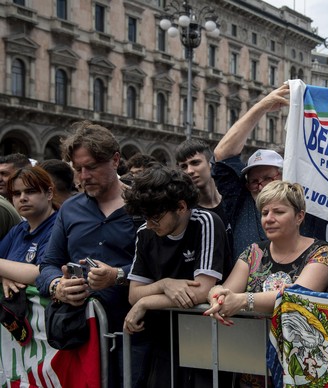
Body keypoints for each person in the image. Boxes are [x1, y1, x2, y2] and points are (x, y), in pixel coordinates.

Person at [37, 121, 147, 387]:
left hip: (135, 335)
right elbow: (48, 264)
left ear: (116, 160)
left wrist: (118, 275)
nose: (83, 176)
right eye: (78, 169)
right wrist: (57, 286)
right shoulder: (70, 209)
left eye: (92, 167)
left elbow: (163, 266)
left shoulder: (143, 205)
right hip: (81, 336)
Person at [205, 180, 328, 386]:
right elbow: (226, 290)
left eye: (278, 212)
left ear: (299, 216)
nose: (269, 219)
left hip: (299, 366)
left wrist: (244, 300)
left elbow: (297, 296)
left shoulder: (320, 252)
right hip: (251, 365)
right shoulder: (253, 251)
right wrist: (216, 295)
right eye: (265, 213)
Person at [122, 165, 227, 387]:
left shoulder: (206, 222)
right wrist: (165, 284)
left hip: (207, 340)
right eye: (146, 217)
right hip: (164, 341)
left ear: (181, 207)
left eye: (156, 218)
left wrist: (146, 302)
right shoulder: (145, 232)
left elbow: (201, 291)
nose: (150, 224)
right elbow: (133, 293)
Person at [213, 84, 328, 257]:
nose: (260, 187)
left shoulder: (309, 204)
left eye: (267, 178)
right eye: (253, 181)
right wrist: (263, 106)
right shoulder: (240, 203)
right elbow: (222, 153)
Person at [0, 166, 58, 380]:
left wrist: (6, 269)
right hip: (18, 345)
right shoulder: (18, 230)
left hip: (49, 346)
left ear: (49, 193)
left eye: (30, 191)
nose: (22, 198)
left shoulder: (59, 227)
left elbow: (41, 273)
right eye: (16, 193)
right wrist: (5, 274)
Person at [176, 139, 233, 275]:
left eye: (195, 163)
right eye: (183, 166)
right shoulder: (185, 212)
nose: (189, 171)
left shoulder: (231, 202)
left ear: (210, 164)